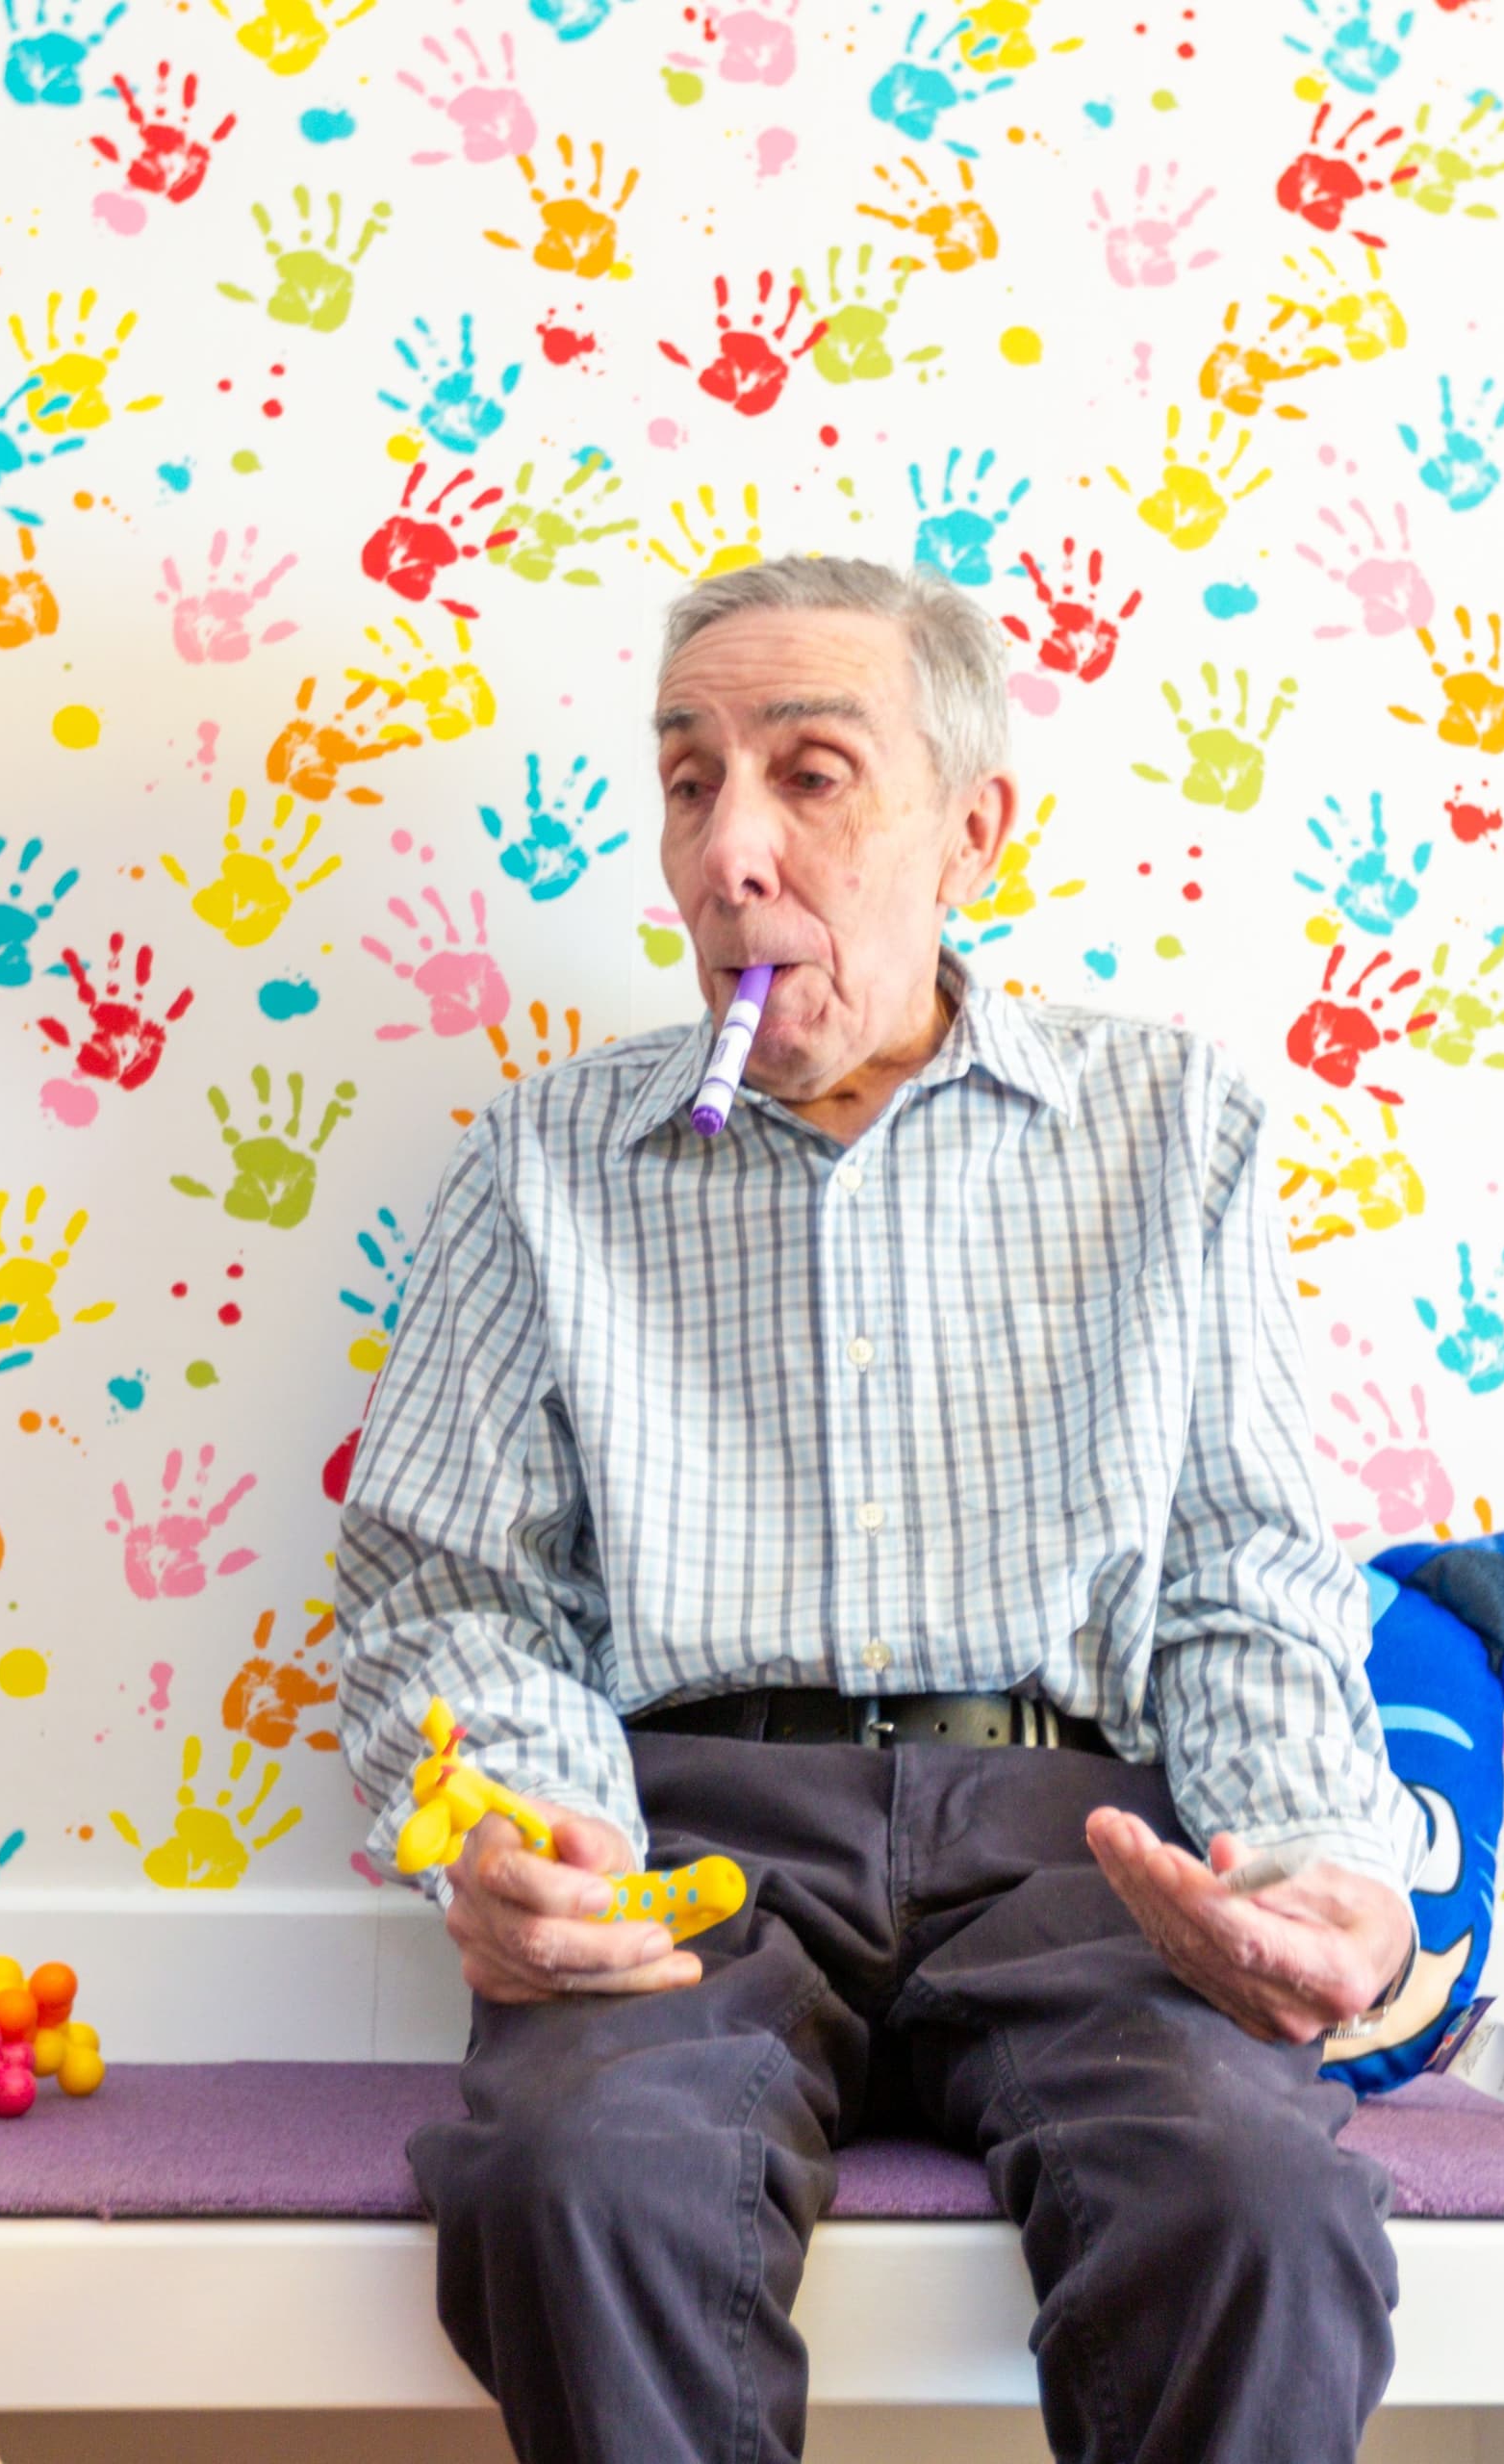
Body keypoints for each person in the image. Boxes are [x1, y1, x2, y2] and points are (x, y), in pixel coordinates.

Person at [335, 555, 1424, 2464]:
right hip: (688, 1840)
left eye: (810, 771)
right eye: (687, 781)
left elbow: (1246, 1582)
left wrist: (1316, 1868)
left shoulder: (1176, 1127)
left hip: (1082, 1836)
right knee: (580, 2183)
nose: (727, 850)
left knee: (1256, 2207)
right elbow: (446, 1594)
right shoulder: (542, 1161)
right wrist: (519, 1834)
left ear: (971, 828)